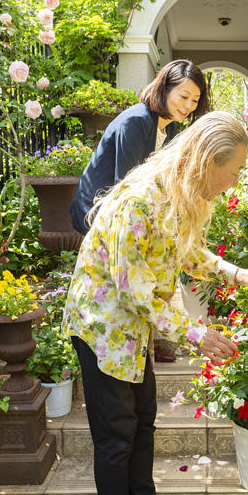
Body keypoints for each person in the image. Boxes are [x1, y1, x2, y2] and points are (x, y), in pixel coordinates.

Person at [63, 112, 248, 495]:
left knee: (142, 423)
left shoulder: (178, 193)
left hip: (132, 327)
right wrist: (198, 335)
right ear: (208, 161)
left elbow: (184, 251)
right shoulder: (140, 199)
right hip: (103, 327)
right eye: (234, 172)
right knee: (116, 436)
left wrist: (232, 272)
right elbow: (133, 291)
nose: (234, 182)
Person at [70, 59, 210, 362]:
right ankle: (126, 342)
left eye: (195, 100)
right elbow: (127, 185)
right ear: (164, 88)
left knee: (148, 269)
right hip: (101, 211)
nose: (188, 105)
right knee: (126, 280)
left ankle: (148, 338)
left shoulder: (167, 126)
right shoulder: (137, 121)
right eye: (183, 96)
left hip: (128, 211)